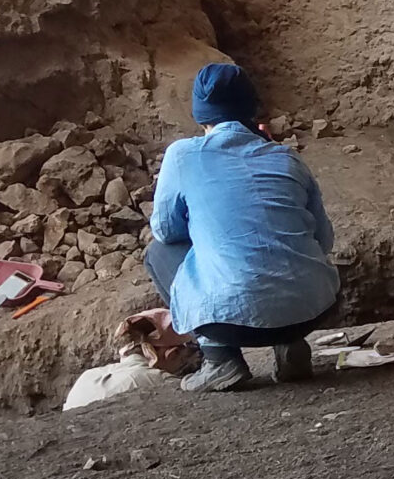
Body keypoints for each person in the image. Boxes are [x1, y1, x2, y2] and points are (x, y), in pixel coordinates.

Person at [146, 63, 341, 393]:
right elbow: (324, 241)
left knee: (158, 252)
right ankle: (292, 347)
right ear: (251, 107)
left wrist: (210, 232)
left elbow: (165, 231)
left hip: (228, 322)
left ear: (200, 114)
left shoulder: (182, 155)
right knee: (292, 249)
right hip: (313, 311)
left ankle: (221, 360)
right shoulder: (286, 157)